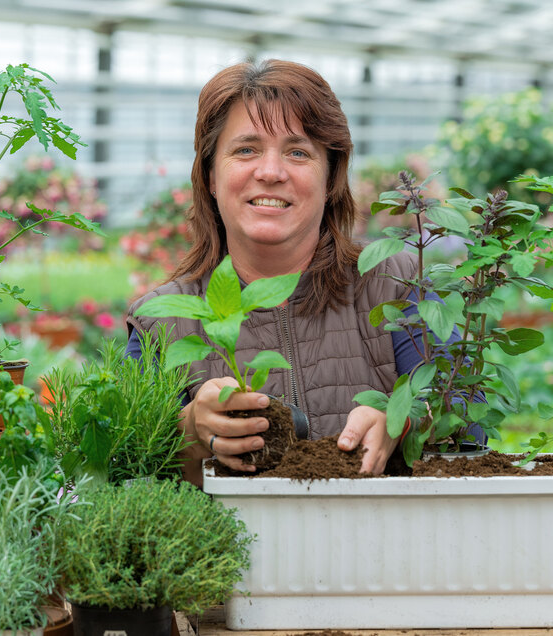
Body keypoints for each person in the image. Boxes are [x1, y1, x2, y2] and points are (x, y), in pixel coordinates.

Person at [126, 60, 445, 486]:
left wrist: (401, 420)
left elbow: (465, 413)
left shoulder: (395, 281)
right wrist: (189, 431)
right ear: (210, 177)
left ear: (332, 177)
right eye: (246, 150)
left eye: (298, 152)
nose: (271, 173)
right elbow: (123, 467)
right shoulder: (162, 320)